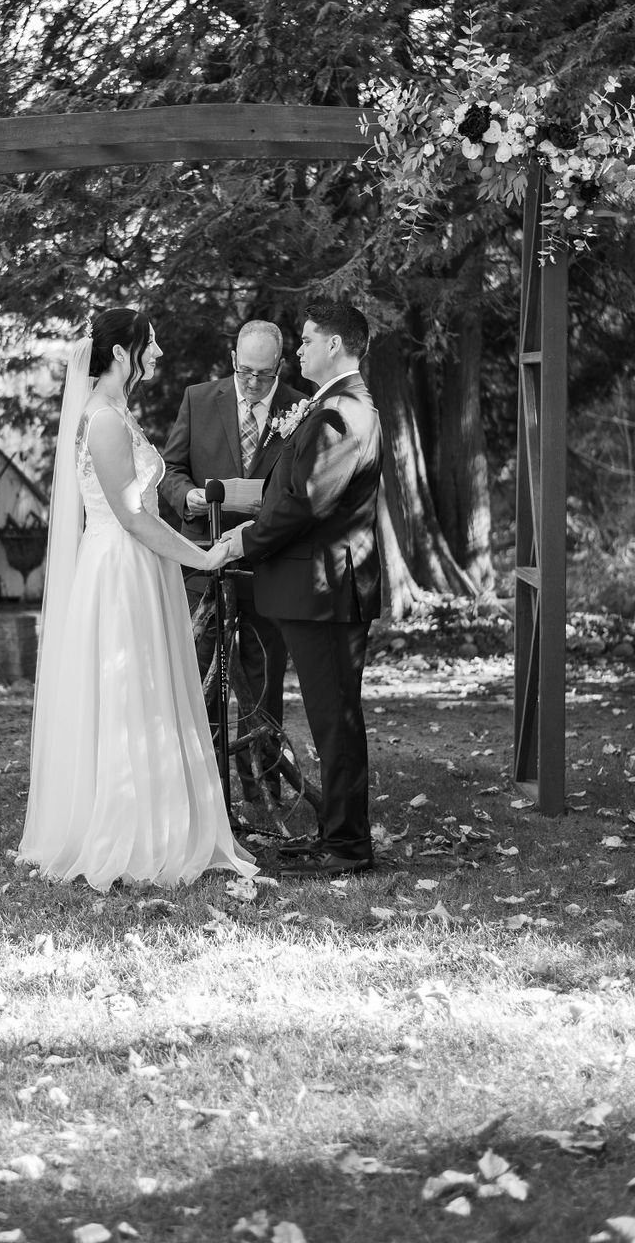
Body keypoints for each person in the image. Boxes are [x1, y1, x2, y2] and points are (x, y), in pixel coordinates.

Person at [17, 308, 257, 890]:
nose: (157, 354)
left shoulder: (116, 413)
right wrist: (201, 556)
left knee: (150, 692)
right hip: (121, 571)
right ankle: (126, 834)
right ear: (121, 352)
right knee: (127, 695)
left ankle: (164, 821)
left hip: (139, 566)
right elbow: (130, 516)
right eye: (150, 343)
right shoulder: (103, 421)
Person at [221, 297, 382, 877]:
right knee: (329, 718)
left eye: (309, 339)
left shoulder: (344, 412)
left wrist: (243, 541)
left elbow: (303, 501)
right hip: (318, 591)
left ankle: (347, 848)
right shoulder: (334, 404)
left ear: (334, 345)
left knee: (335, 721)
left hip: (327, 593)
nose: (302, 348)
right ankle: (337, 835)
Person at [161, 322, 304, 801]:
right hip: (203, 558)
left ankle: (262, 788)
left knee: (262, 675)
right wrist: (189, 497)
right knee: (201, 675)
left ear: (280, 367)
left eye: (265, 375)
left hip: (269, 561)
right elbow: (170, 470)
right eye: (245, 372)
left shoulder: (302, 406)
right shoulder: (200, 399)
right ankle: (203, 791)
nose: (254, 383)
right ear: (232, 358)